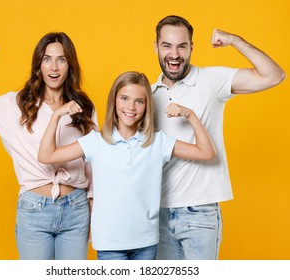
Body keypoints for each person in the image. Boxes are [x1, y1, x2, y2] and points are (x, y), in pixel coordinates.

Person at [38, 71, 216, 260]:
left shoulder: (157, 142)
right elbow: (46, 155)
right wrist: (56, 116)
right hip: (110, 243)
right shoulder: (96, 141)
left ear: (147, 106)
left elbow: (206, 152)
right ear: (114, 101)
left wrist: (190, 115)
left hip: (146, 242)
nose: (131, 107)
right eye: (124, 98)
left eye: (139, 101)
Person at [152, 15, 286, 260]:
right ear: (156, 47)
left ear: (192, 47)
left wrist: (235, 40)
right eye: (167, 46)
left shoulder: (211, 80)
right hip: (158, 214)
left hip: (200, 211)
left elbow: (274, 75)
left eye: (182, 46)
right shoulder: (147, 96)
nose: (174, 54)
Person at [0, 32, 98, 260]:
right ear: (38, 64)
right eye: (47, 59)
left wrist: (92, 204)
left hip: (76, 209)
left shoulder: (83, 107)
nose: (54, 67)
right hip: (34, 211)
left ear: (70, 65)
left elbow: (92, 161)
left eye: (61, 59)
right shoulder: (15, 105)